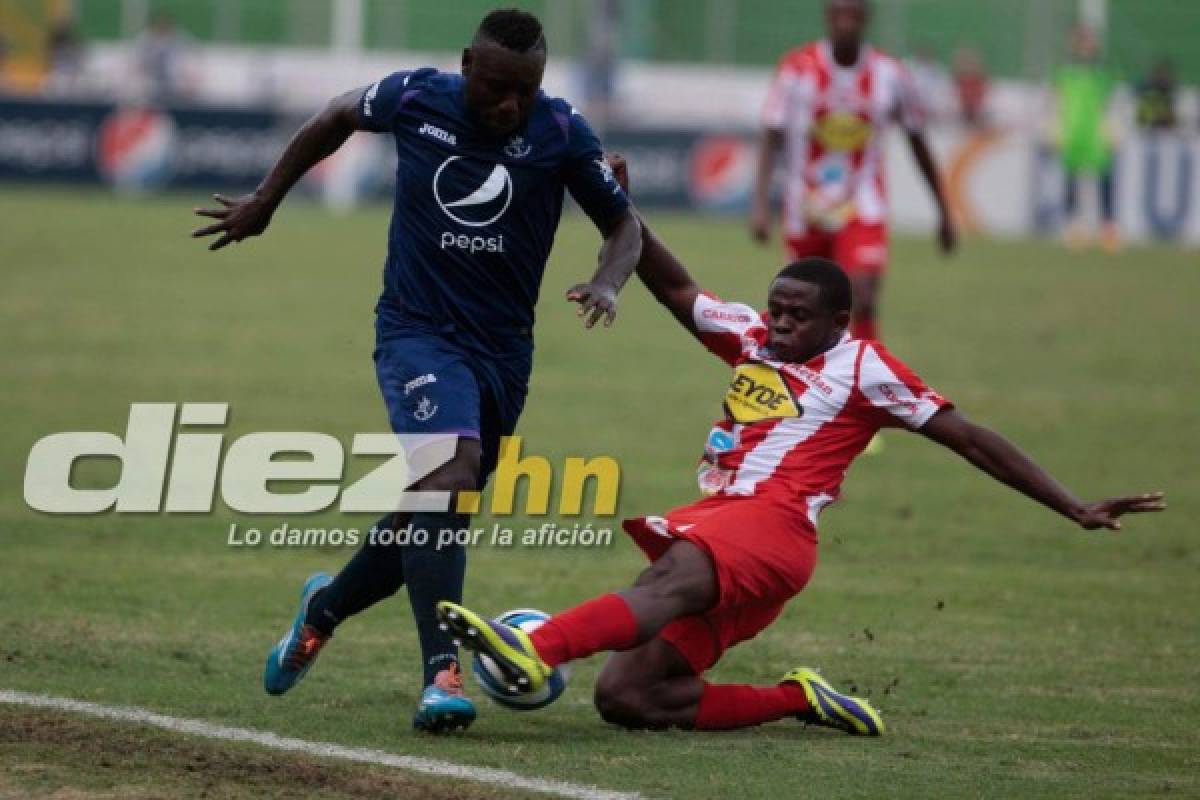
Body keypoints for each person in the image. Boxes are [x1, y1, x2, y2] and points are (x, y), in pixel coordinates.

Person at [437, 154, 1164, 735]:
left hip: (774, 526)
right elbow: (673, 285)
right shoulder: (752, 339)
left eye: (798, 316)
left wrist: (1072, 506)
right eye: (776, 308)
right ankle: (797, 699)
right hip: (734, 524)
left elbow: (969, 438)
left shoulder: (865, 368)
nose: (780, 324)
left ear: (840, 320)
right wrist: (618, 211)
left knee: (665, 583)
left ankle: (536, 649)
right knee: (629, 697)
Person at [192, 9, 641, 733]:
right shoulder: (417, 97)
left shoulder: (559, 131)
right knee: (449, 475)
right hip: (417, 333)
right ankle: (442, 674)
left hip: (503, 353)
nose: (509, 106)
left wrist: (609, 281)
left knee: (431, 511)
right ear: (468, 64)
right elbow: (337, 114)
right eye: (497, 87)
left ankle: (323, 610)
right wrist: (268, 198)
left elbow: (624, 224)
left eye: (524, 92)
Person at [750, 0, 955, 343]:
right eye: (838, 14)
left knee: (863, 295)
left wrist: (943, 210)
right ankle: (803, 381)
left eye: (853, 14)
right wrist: (759, 204)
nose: (845, 23)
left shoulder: (890, 74)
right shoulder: (797, 69)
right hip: (807, 205)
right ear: (827, 17)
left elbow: (918, 142)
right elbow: (772, 136)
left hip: (862, 201)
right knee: (802, 305)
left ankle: (865, 378)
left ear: (865, 19)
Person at [1053, 26, 1119, 252]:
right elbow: (1057, 102)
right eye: (1082, 42)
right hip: (1073, 133)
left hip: (1095, 134)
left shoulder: (1103, 73)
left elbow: (1111, 104)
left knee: (1105, 180)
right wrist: (1056, 129)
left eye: (1089, 42)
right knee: (1071, 182)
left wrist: (1111, 129)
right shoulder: (1065, 72)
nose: (1086, 47)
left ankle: (1108, 227)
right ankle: (1073, 227)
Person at [1135, 59, 1178, 131]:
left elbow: (1171, 120)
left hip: (1162, 126)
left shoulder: (1168, 94)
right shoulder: (1147, 93)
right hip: (1150, 125)